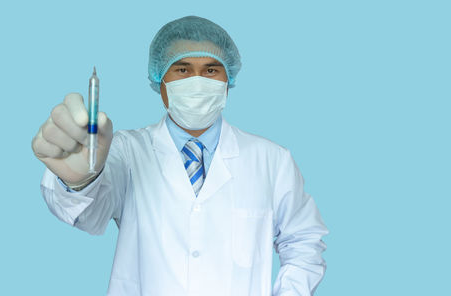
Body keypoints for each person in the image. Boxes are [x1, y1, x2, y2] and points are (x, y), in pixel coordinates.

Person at [32, 15, 328, 296]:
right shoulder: (124, 151)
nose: (198, 81)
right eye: (183, 70)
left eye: (211, 70)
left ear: (228, 81)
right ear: (160, 79)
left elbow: (304, 241)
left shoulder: (272, 160)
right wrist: (80, 181)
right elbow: (88, 217)